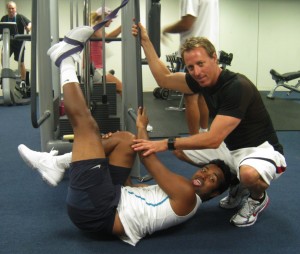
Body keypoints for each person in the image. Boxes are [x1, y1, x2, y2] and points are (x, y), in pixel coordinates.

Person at [18, 25, 232, 246]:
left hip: (97, 213)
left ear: (214, 194)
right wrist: (115, 150)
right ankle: (59, 162)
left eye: (211, 180)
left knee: (87, 127)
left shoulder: (188, 195)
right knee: (125, 141)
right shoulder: (180, 192)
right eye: (206, 170)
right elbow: (133, 192)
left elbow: (148, 159)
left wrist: (141, 127)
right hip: (112, 199)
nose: (204, 176)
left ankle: (65, 61)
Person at [131, 22, 287, 227]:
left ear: (214, 58)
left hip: (261, 150)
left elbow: (213, 139)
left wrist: (164, 144)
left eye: (201, 63)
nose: (196, 72)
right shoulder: (200, 80)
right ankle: (236, 182)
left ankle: (257, 198)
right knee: (182, 151)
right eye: (190, 67)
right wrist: (145, 41)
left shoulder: (237, 87)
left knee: (248, 173)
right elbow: (165, 79)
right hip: (231, 148)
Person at [162, 0, 219, 134]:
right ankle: (204, 132)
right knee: (202, 94)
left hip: (194, 51)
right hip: (208, 49)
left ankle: (194, 140)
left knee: (190, 96)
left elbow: (186, 23)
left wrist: (165, 30)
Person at [88, 6, 123, 96]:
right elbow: (107, 39)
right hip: (94, 70)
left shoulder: (99, 30)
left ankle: (128, 109)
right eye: (110, 18)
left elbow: (108, 38)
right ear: (104, 17)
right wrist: (123, 26)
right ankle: (132, 109)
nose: (112, 20)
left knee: (120, 90)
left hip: (98, 69)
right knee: (122, 88)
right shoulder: (95, 28)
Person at [1, 1, 31, 84]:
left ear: (15, 9)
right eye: (9, 8)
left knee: (21, 63)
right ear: (7, 9)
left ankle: (23, 81)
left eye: (12, 8)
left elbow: (30, 23)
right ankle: (5, 73)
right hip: (8, 42)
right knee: (3, 55)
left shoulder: (20, 17)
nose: (11, 10)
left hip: (19, 43)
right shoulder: (4, 18)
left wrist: (28, 28)